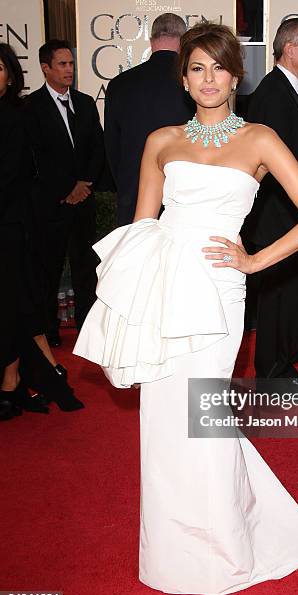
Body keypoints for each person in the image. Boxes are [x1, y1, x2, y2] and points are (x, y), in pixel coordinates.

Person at [74, 23, 298, 595]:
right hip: (166, 285)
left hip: (219, 290)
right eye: (197, 68)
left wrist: (255, 260)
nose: (209, 78)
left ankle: (226, 550)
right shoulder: (161, 141)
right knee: (166, 418)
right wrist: (127, 303)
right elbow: (142, 228)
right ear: (184, 78)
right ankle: (173, 551)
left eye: (219, 67)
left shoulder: (261, 138)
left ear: (236, 75)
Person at [0, 43, 84, 420]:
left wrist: (76, 186)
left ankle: (16, 379)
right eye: (61, 63)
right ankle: (16, 379)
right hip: (25, 218)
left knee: (17, 302)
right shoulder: (29, 110)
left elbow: (17, 176)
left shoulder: (17, 117)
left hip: (12, 226)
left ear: (10, 75)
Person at [242, 18, 298, 392]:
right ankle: (272, 376)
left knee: (290, 299)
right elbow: (268, 168)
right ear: (289, 49)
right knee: (277, 301)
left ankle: (283, 370)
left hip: (292, 218)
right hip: (280, 220)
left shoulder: (289, 90)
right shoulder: (274, 94)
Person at [24, 39, 105, 348]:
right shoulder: (31, 108)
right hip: (51, 203)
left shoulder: (84, 103)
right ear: (45, 68)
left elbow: (98, 147)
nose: (69, 69)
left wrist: (84, 183)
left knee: (86, 267)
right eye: (62, 64)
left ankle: (86, 327)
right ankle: (49, 329)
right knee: (49, 268)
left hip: (84, 201)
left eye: (71, 63)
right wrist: (66, 188)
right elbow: (35, 158)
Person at [104, 13, 194, 226]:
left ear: (151, 40)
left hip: (133, 193)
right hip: (183, 197)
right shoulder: (192, 82)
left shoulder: (119, 84)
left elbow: (111, 146)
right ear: (183, 41)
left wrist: (127, 182)